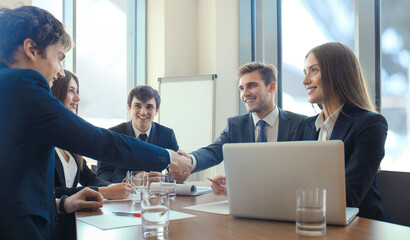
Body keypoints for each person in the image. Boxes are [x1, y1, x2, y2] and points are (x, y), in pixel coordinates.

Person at [0, 6, 191, 239]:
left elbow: (14, 182)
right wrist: (169, 156)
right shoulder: (22, 83)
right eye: (59, 58)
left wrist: (63, 204)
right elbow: (100, 142)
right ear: (31, 49)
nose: (61, 72)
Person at [293, 42, 388, 221]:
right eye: (305, 72)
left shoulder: (370, 124)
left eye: (314, 70)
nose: (305, 81)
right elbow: (290, 179)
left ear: (337, 73)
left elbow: (349, 195)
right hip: (315, 221)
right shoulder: (305, 126)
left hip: (362, 226)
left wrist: (297, 196)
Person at [174, 62, 306, 183]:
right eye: (241, 88)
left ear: (271, 87)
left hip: (288, 203)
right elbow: (213, 152)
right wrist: (189, 160)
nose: (245, 93)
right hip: (245, 204)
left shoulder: (300, 124)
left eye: (252, 86)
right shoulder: (235, 125)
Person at [52, 70, 131, 199]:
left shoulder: (70, 139)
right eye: (71, 91)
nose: (77, 98)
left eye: (77, 91)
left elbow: (89, 178)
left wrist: (117, 188)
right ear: (56, 92)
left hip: (72, 217)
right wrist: (102, 191)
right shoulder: (42, 138)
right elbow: (49, 191)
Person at [97, 85, 179, 183]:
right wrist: (130, 180)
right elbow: (102, 174)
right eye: (137, 106)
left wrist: (164, 179)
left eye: (149, 107)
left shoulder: (166, 135)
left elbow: (178, 172)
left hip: (155, 195)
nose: (143, 112)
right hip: (122, 195)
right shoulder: (113, 134)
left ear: (157, 110)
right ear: (129, 108)